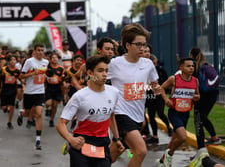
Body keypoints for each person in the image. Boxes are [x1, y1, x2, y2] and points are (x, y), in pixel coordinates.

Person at [56, 55, 124, 167]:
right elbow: (61, 124)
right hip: (82, 142)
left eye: (106, 70)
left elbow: (111, 116)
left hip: (102, 142)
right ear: (90, 73)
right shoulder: (80, 96)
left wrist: (116, 139)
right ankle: (70, 146)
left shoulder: (114, 92)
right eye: (100, 71)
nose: (104, 74)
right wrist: (71, 139)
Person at [108, 23, 160, 166]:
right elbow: (96, 76)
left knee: (116, 149)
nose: (142, 48)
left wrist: (157, 88)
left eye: (144, 44)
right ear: (127, 45)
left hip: (137, 114)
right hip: (120, 112)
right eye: (138, 44)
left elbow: (154, 83)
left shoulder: (148, 64)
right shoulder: (115, 63)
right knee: (140, 150)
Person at [157, 58, 200, 167]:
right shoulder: (174, 79)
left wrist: (196, 97)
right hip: (174, 112)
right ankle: (170, 154)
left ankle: (162, 162)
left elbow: (197, 95)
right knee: (183, 137)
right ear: (180, 67)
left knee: (173, 141)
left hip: (185, 113)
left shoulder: (195, 81)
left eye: (192, 66)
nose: (191, 68)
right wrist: (166, 100)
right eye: (188, 66)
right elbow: (161, 88)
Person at [189, 47, 221, 167]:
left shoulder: (195, 67)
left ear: (192, 56)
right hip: (212, 95)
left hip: (201, 96)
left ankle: (201, 151)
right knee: (202, 117)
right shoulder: (205, 64)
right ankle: (214, 137)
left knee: (198, 121)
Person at [17, 43, 49, 150]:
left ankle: (38, 139)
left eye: (42, 50)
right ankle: (22, 113)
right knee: (27, 113)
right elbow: (21, 76)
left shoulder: (46, 62)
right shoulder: (29, 61)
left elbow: (44, 74)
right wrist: (32, 73)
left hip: (40, 92)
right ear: (34, 51)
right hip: (29, 92)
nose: (40, 52)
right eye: (38, 50)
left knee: (39, 114)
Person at [145, 54, 172, 144]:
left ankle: (168, 127)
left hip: (159, 94)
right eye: (153, 64)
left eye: (155, 64)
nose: (154, 66)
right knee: (151, 116)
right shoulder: (145, 71)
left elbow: (165, 81)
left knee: (160, 113)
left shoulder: (160, 70)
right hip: (149, 95)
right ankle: (155, 136)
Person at [0, 55, 21, 129]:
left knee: (12, 106)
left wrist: (23, 85)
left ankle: (9, 122)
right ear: (9, 61)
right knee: (4, 107)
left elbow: (20, 79)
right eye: (11, 60)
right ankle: (5, 108)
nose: (13, 61)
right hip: (4, 89)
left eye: (14, 60)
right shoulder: (4, 69)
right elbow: (0, 78)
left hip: (13, 89)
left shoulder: (17, 71)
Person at [45, 52, 65, 127]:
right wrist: (47, 78)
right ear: (50, 59)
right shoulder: (47, 67)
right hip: (49, 88)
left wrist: (62, 81)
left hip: (57, 88)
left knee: (55, 105)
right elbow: (44, 75)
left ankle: (51, 120)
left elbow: (63, 78)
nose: (55, 59)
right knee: (48, 103)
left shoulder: (61, 68)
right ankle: (47, 109)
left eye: (56, 57)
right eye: (53, 58)